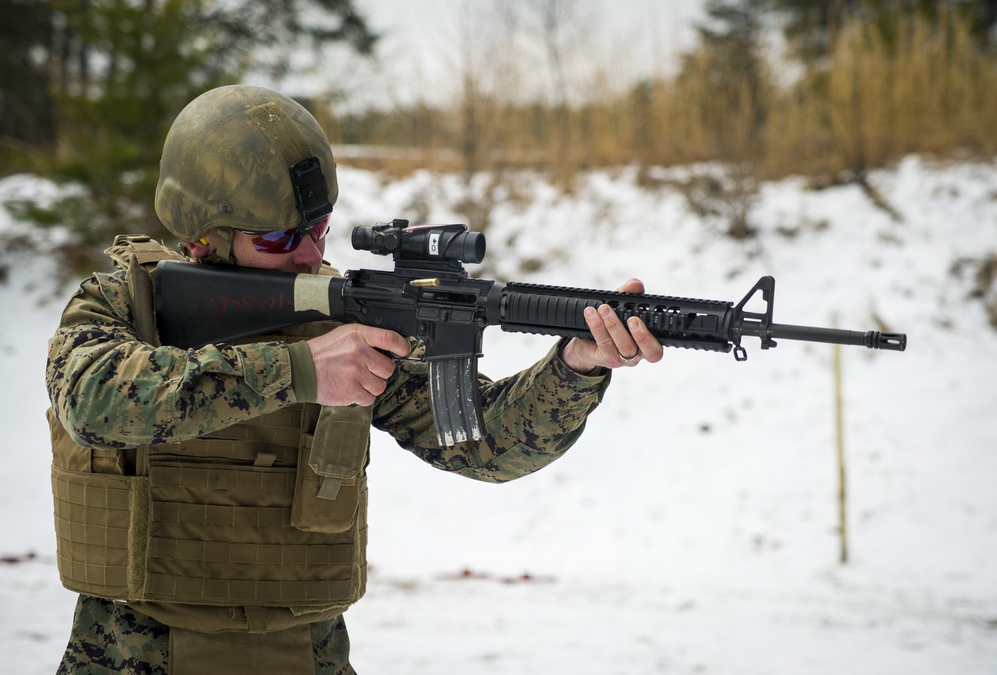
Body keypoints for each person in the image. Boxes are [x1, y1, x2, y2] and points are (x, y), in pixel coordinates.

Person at [45, 84, 663, 674]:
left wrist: (576, 366)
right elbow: (94, 401)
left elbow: (483, 444)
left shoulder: (339, 313)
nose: (310, 254)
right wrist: (299, 370)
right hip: (130, 657)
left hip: (303, 657)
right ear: (202, 236)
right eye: (280, 237)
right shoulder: (124, 304)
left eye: (318, 228)